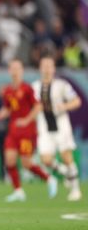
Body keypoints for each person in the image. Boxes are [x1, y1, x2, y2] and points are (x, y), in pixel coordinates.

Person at [0, 59, 57, 202]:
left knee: (26, 164)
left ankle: (49, 179)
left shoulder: (27, 88)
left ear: (21, 71)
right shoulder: (7, 90)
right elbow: (8, 108)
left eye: (17, 68)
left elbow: (38, 107)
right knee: (9, 161)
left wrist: (26, 120)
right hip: (13, 131)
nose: (15, 71)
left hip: (27, 131)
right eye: (12, 68)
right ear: (9, 71)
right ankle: (18, 191)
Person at [32, 56, 82, 201]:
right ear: (40, 68)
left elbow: (77, 101)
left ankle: (75, 190)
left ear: (54, 68)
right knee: (46, 160)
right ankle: (66, 173)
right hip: (44, 128)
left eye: (49, 66)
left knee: (67, 156)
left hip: (61, 127)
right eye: (44, 66)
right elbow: (32, 106)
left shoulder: (62, 85)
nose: (47, 69)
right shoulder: (35, 86)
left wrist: (64, 106)